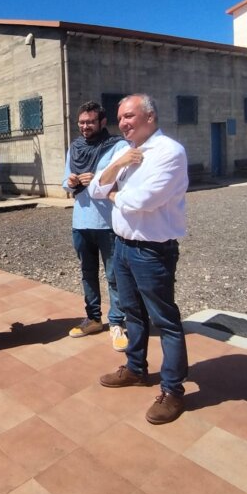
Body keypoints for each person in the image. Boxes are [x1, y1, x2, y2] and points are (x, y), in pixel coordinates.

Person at [90, 93, 189, 424]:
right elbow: (95, 189)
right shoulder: (125, 151)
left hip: (152, 251)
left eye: (129, 116)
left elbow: (143, 201)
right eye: (120, 118)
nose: (122, 123)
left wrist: (114, 193)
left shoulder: (169, 152)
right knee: (132, 313)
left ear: (149, 116)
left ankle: (173, 390)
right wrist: (117, 165)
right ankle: (135, 368)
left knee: (165, 321)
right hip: (122, 245)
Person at [63, 101, 129, 349]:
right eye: (81, 122)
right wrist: (71, 181)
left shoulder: (118, 147)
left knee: (114, 276)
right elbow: (64, 182)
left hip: (109, 223)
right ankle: (93, 319)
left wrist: (98, 179)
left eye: (90, 122)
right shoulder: (75, 148)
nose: (85, 126)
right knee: (88, 274)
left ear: (102, 122)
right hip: (81, 223)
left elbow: (126, 181)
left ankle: (117, 322)